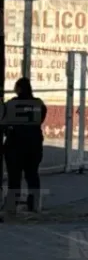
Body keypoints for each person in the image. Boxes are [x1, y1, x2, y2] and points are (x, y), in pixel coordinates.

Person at [3, 78, 47, 217]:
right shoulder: (38, 104)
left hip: (15, 146)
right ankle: (34, 205)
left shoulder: (11, 104)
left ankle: (12, 206)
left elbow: (4, 122)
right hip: (34, 146)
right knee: (32, 175)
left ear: (19, 89)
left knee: (14, 178)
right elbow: (40, 119)